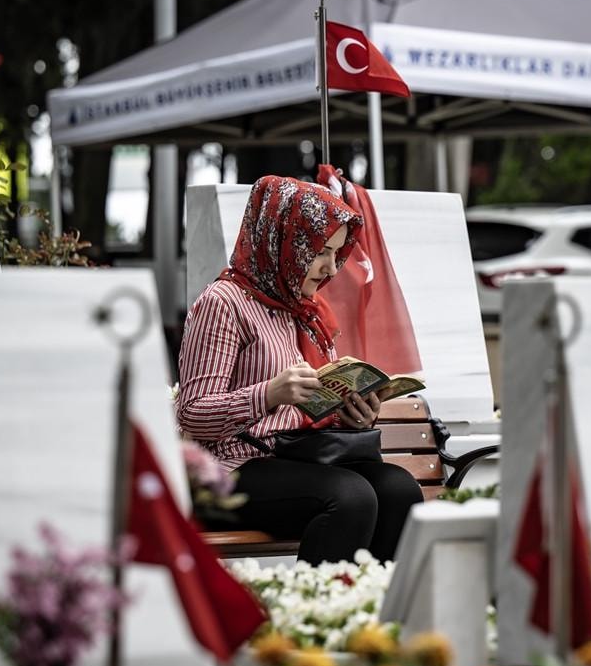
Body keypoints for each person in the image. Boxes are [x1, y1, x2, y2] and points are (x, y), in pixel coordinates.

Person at [176, 175, 423, 564]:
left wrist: (354, 415)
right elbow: (192, 413)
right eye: (320, 252)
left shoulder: (305, 310)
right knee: (350, 496)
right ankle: (321, 600)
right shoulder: (223, 303)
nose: (330, 268)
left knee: (399, 489)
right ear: (285, 241)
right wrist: (269, 393)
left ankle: (375, 599)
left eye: (337, 254)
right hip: (236, 465)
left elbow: (312, 406)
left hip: (300, 456)